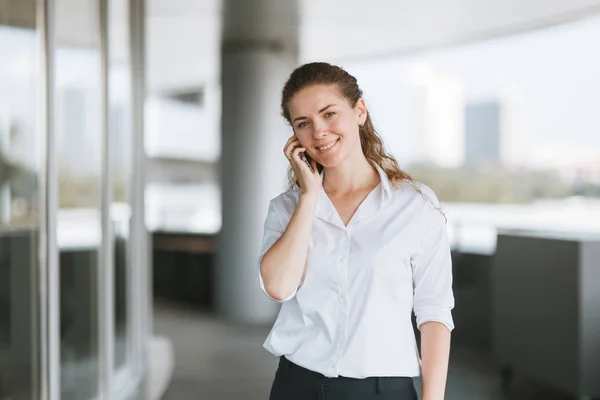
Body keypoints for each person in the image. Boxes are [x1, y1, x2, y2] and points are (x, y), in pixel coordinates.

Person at [257, 62, 455, 400]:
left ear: (359, 111)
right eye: (304, 123)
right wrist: (309, 196)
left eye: (329, 113)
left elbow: (434, 311)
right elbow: (278, 288)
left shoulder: (415, 205)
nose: (319, 131)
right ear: (295, 137)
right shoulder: (287, 208)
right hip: (296, 386)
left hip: (383, 390)